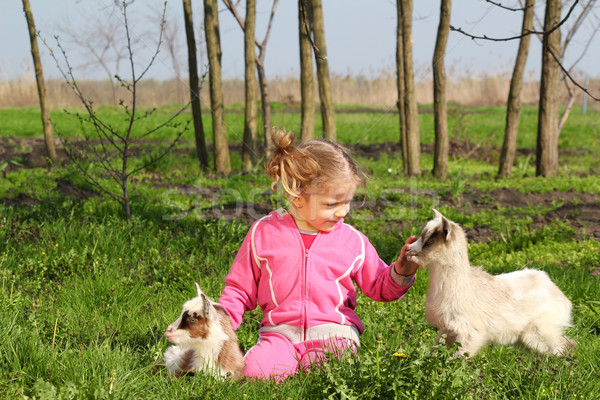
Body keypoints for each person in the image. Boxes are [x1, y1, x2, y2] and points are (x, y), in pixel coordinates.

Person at [218, 128, 419, 380]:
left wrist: (402, 271)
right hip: (279, 334)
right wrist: (219, 325)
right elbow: (239, 289)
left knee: (330, 377)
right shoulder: (264, 233)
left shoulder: (351, 241)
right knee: (253, 374)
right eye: (331, 204)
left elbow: (379, 285)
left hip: (335, 335)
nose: (343, 211)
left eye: (348, 201)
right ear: (297, 196)